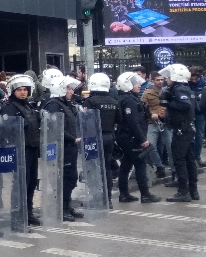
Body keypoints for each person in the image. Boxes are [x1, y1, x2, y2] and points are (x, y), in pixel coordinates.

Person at [114, 72, 160, 204]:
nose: (138, 85)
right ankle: (145, 195)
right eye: (135, 83)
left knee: (126, 165)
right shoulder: (129, 100)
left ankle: (124, 194)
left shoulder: (126, 98)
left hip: (126, 136)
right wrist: (142, 139)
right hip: (132, 137)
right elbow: (133, 122)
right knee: (140, 165)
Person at [43, 75, 85, 221]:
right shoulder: (54, 104)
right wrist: (73, 138)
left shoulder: (67, 104)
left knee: (71, 177)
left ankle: (66, 205)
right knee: (66, 178)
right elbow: (56, 127)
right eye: (68, 88)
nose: (71, 91)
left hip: (70, 147)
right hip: (62, 147)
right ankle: (62, 208)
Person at [3, 74, 42, 227]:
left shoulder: (28, 106)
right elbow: (7, 128)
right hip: (20, 150)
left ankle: (28, 212)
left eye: (25, 89)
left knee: (31, 182)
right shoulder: (9, 107)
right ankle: (16, 216)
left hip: (32, 148)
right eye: (19, 90)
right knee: (20, 184)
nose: (23, 92)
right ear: (13, 91)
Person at [163, 64, 199, 203]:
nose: (167, 79)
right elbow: (196, 107)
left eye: (169, 77)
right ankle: (193, 190)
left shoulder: (179, 89)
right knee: (190, 160)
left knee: (179, 160)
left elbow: (186, 106)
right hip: (188, 129)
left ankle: (183, 191)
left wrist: (169, 102)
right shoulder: (188, 89)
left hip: (182, 130)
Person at [83, 73, 120, 202]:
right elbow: (119, 120)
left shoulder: (90, 101)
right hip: (109, 137)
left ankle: (96, 197)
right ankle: (107, 198)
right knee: (107, 168)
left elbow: (85, 120)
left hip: (93, 138)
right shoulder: (114, 102)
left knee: (93, 167)